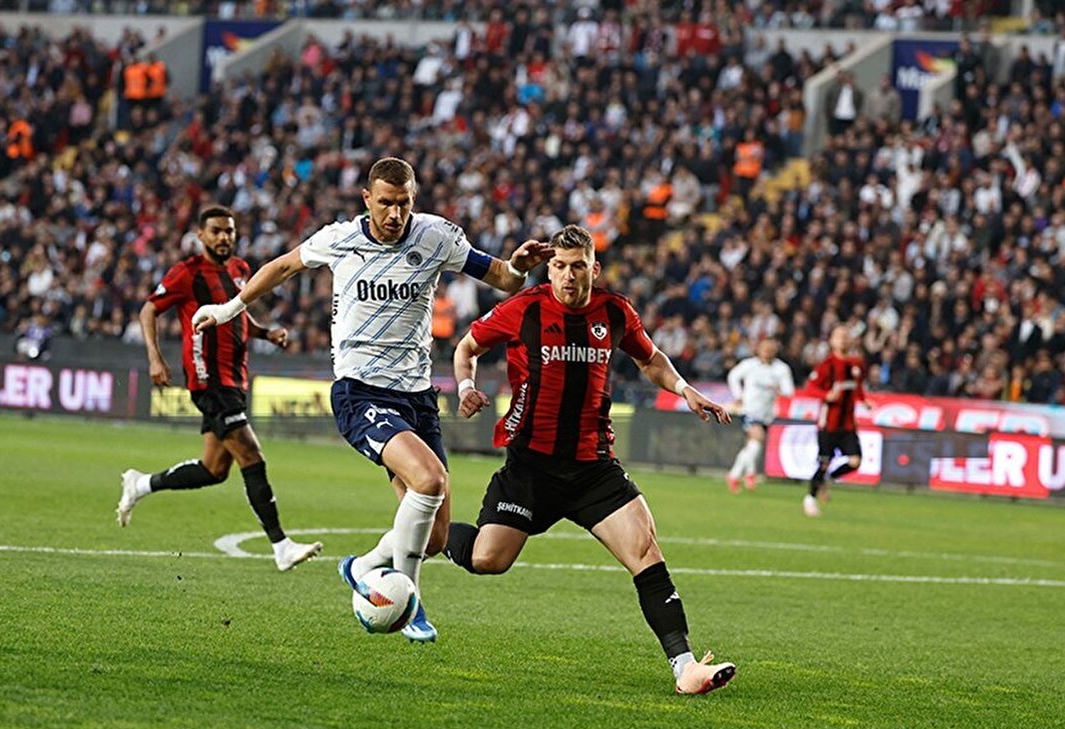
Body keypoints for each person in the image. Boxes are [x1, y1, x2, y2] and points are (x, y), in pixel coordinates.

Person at [192, 157, 553, 643]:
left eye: (404, 203)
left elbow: (504, 280)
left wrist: (518, 266)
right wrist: (228, 308)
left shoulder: (435, 236)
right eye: (385, 202)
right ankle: (413, 606)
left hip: (417, 397)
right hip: (360, 390)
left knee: (436, 537)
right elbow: (281, 267)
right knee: (430, 479)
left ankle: (361, 566)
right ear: (367, 199)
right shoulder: (339, 238)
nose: (395, 213)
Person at [444, 225, 737, 695]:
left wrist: (684, 389)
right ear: (549, 268)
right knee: (487, 559)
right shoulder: (525, 308)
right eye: (558, 266)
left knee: (645, 552)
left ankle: (685, 667)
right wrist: (465, 387)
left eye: (577, 266)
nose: (566, 275)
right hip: (531, 466)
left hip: (592, 467)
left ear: (593, 269)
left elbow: (650, 358)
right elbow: (467, 347)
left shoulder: (615, 311)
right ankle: (430, 534)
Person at [115, 205, 323, 572]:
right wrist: (154, 358)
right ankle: (281, 545)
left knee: (214, 469)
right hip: (208, 379)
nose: (224, 237)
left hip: (235, 377)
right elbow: (149, 310)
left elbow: (235, 311)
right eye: (216, 231)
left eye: (229, 231)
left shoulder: (241, 269)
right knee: (252, 456)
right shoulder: (187, 273)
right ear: (201, 235)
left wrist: (265, 333)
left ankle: (140, 484)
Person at [803, 325, 872, 517]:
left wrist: (865, 401)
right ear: (832, 341)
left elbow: (857, 389)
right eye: (839, 336)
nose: (843, 339)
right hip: (829, 424)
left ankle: (828, 479)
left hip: (848, 425)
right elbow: (810, 388)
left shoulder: (856, 364)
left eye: (846, 336)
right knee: (824, 462)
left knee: (855, 461)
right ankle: (809, 499)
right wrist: (826, 395)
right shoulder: (827, 365)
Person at [724, 337, 795, 493]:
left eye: (771, 348)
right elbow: (733, 376)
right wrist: (739, 394)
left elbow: (789, 390)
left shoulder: (781, 369)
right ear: (758, 349)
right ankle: (736, 475)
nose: (767, 351)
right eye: (765, 348)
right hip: (749, 410)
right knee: (757, 440)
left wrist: (780, 390)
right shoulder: (749, 365)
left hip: (767, 414)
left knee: (752, 445)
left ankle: (748, 473)